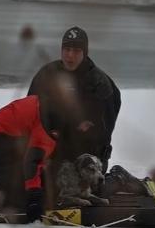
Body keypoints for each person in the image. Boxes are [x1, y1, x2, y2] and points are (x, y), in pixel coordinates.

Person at [28, 26, 121, 173]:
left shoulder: (99, 83)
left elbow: (102, 132)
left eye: (76, 51)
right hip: (47, 151)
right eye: (67, 49)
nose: (70, 56)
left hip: (86, 160)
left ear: (85, 52)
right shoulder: (47, 75)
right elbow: (29, 112)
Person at [0, 95, 61, 222]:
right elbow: (32, 161)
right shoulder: (51, 121)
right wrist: (34, 196)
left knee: (32, 182)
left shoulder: (42, 102)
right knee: (24, 200)